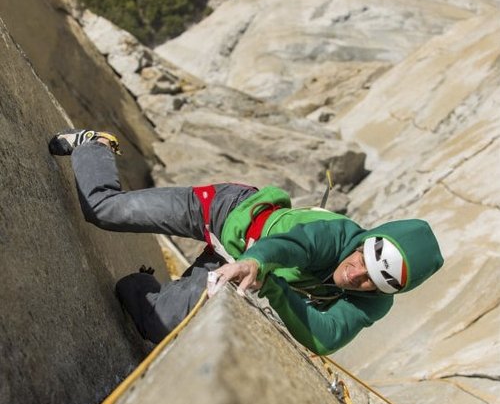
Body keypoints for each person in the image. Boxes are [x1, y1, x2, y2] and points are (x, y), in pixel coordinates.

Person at [48, 128, 444, 355]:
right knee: (103, 210)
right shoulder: (338, 235)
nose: (356, 274)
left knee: (156, 323)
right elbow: (294, 246)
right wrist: (257, 263)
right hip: (224, 212)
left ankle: (142, 283)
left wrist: (271, 287)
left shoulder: (374, 304)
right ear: (365, 241)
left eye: (371, 280)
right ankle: (93, 144)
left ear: (384, 290)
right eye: (362, 258)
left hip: (236, 263)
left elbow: (326, 336)